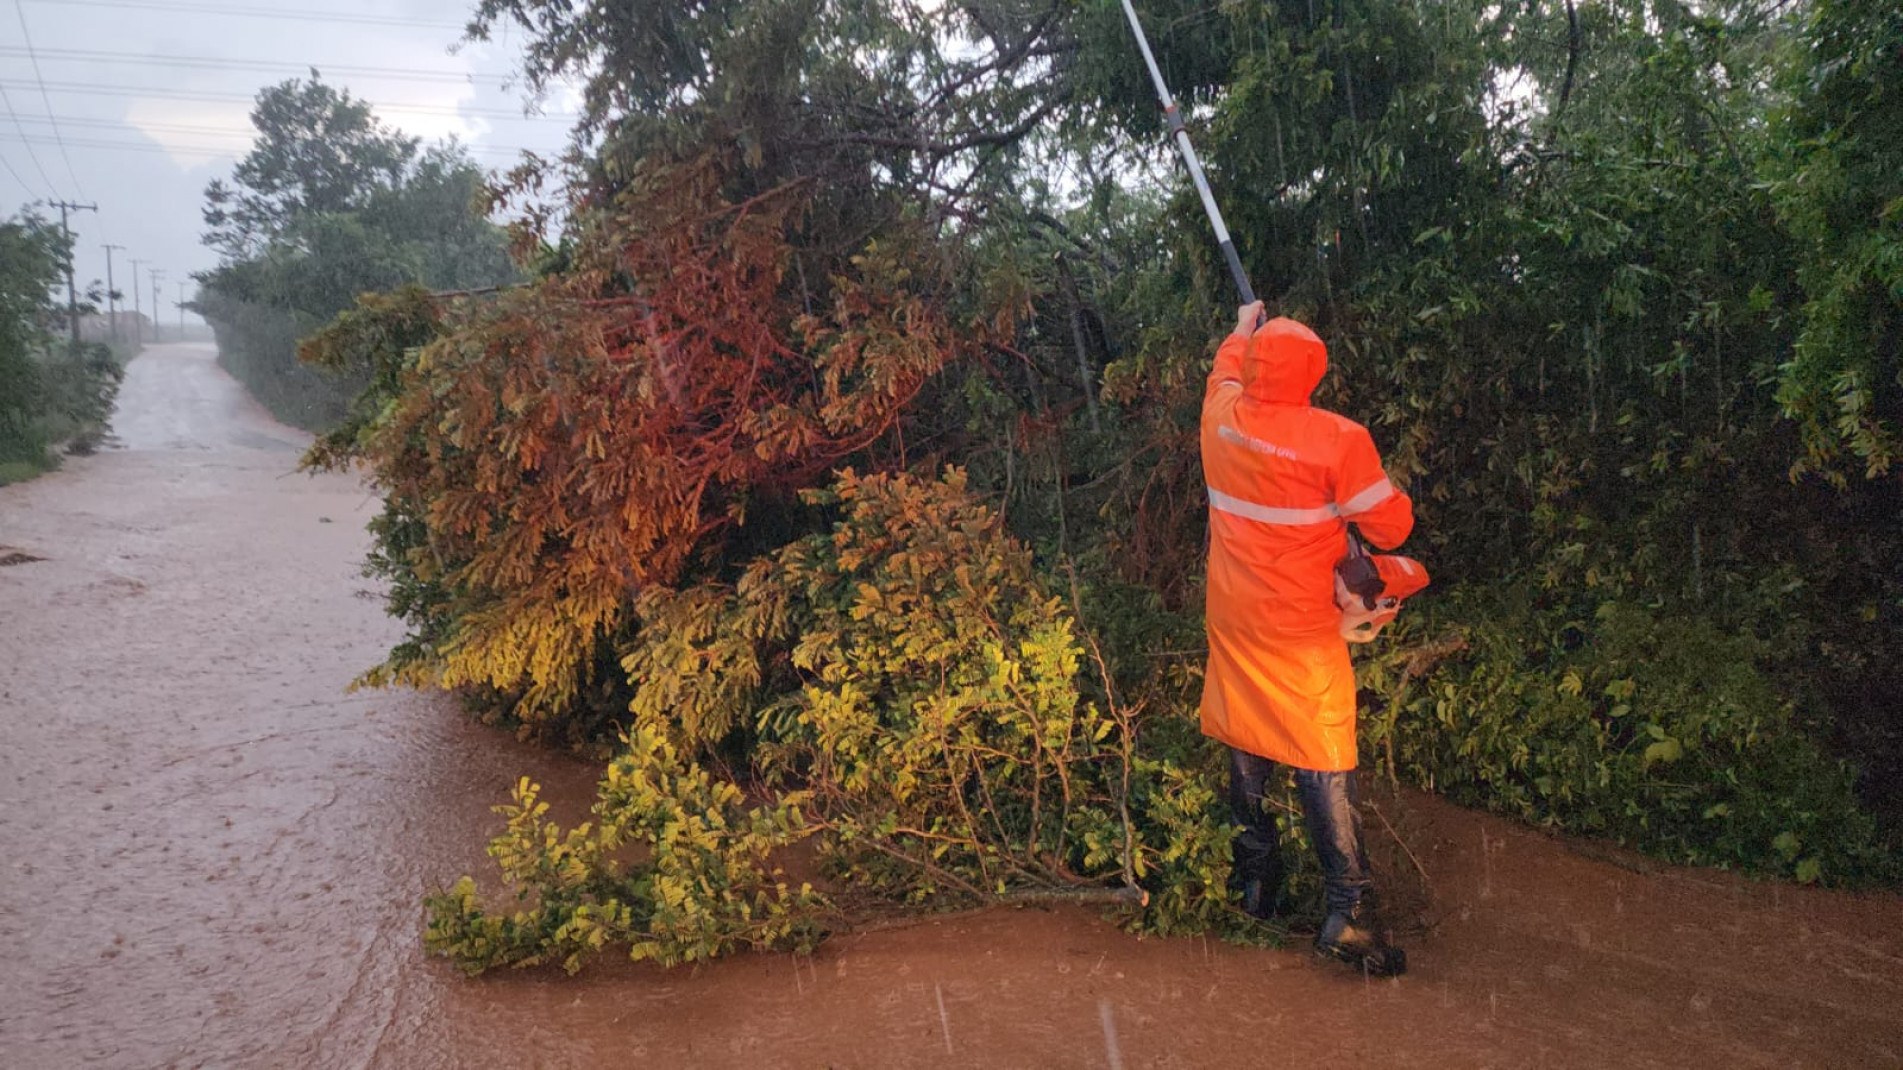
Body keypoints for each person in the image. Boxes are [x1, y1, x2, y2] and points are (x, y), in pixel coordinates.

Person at [1199, 301, 1415, 977]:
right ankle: (1347, 912)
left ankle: (1255, 890)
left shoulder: (1220, 420)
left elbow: (1224, 371)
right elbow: (1391, 530)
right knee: (1321, 755)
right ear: (1315, 372)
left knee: (1246, 739)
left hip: (1236, 619)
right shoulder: (1338, 440)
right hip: (1299, 631)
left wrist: (1242, 326)